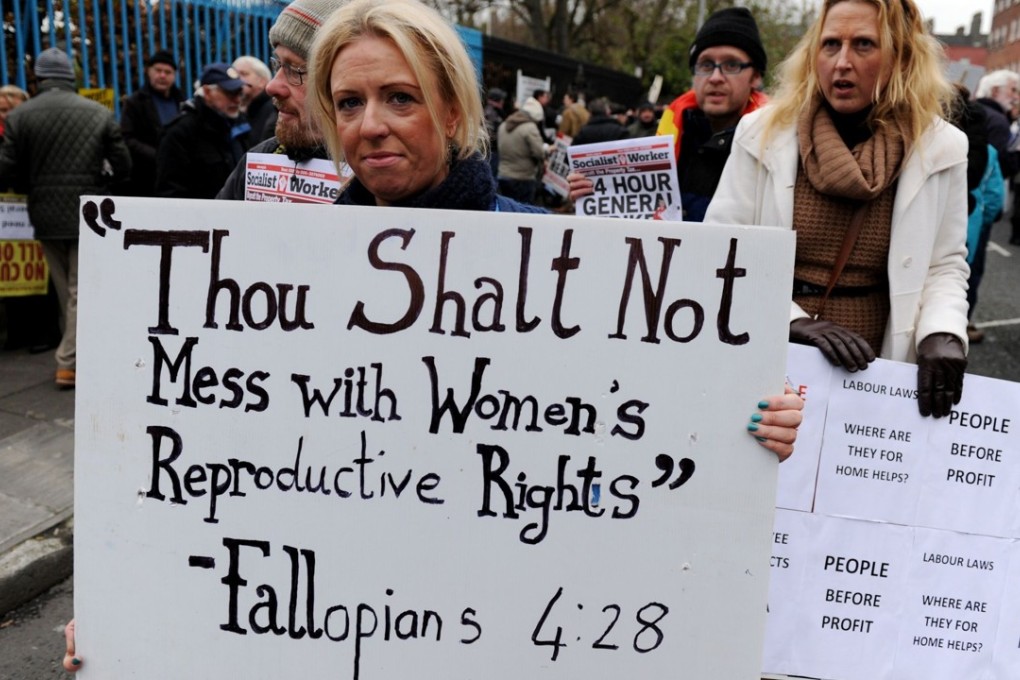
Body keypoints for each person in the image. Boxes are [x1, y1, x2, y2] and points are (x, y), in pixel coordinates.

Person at [705, 0, 970, 419]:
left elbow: (945, 265)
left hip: (875, 371)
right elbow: (719, 251)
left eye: (864, 44)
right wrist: (791, 322)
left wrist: (944, 332)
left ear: (900, 56)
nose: (842, 62)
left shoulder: (943, 147)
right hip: (767, 356)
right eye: (830, 45)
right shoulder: (762, 132)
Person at [0, 48, 131, 388]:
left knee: (66, 289)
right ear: (71, 77)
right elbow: (123, 166)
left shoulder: (20, 116)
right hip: (89, 213)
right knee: (79, 291)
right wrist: (103, 187)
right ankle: (69, 362)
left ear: (39, 77)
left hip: (43, 212)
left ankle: (71, 357)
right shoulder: (98, 113)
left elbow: (7, 169)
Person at [568, 7, 768, 222]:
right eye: (706, 64)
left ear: (755, 76)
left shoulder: (778, 149)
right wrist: (592, 196)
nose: (715, 77)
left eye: (731, 65)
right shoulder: (669, 137)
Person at [217, 0, 350, 200]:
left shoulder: (386, 174)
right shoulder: (259, 161)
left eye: (294, 70)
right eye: (278, 64)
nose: (271, 87)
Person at [155, 63, 251, 198]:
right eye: (229, 93)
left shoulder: (239, 125)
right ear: (207, 92)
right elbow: (171, 192)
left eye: (239, 92)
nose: (236, 100)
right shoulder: (180, 132)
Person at [118, 50, 185, 196]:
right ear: (148, 71)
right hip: (145, 178)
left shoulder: (183, 103)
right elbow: (127, 139)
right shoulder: (135, 103)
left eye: (168, 72)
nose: (162, 75)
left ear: (174, 76)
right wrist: (158, 155)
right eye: (158, 70)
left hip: (177, 179)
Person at [497, 94, 547, 204]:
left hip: (503, 175)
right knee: (522, 215)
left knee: (507, 211)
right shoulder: (530, 127)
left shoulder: (503, 125)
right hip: (523, 178)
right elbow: (539, 152)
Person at [232, 55, 276, 144]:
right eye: (234, 74)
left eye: (244, 74)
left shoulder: (275, 109)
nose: (236, 78)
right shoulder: (238, 111)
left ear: (262, 81)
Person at [483, 86, 507, 176]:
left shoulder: (493, 111)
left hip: (492, 152)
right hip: (492, 152)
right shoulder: (491, 114)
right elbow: (489, 136)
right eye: (501, 100)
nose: (503, 102)